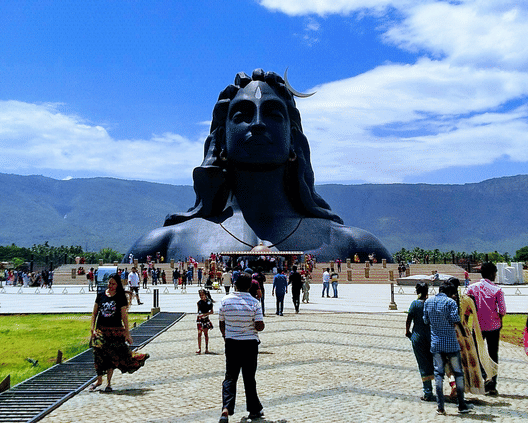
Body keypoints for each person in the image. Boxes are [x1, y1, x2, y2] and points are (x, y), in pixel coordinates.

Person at [126, 69, 390, 264]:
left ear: (293, 140)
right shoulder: (164, 242)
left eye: (273, 113)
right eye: (242, 114)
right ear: (221, 140)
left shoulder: (353, 244)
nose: (258, 123)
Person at [88, 273, 149, 392]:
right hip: (101, 330)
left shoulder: (120, 298)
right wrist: (92, 328)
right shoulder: (101, 296)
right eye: (109, 283)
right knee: (98, 354)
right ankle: (99, 380)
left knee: (111, 357)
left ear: (117, 285)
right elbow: (94, 313)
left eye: (113, 284)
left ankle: (108, 383)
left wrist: (127, 333)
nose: (110, 286)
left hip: (115, 331)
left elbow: (124, 316)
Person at [218, 274, 265, 423]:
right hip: (250, 344)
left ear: (235, 285)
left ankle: (226, 408)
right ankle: (254, 409)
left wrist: (226, 336)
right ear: (250, 286)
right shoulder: (255, 303)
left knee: (230, 377)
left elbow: (221, 323)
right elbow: (259, 326)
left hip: (232, 343)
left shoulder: (225, 301)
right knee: (249, 378)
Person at [424, 280, 472, 415]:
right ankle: (461, 405)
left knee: (438, 374)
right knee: (458, 373)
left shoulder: (428, 302)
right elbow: (455, 319)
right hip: (451, 344)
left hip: (436, 344)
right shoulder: (450, 302)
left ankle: (440, 407)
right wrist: (463, 333)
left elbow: (425, 320)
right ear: (449, 292)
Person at [466, 262, 507, 395]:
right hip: (494, 326)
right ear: (491, 273)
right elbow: (502, 310)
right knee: (493, 353)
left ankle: (483, 376)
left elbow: (467, 308)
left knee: (477, 352)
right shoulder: (497, 290)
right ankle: (492, 382)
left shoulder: (471, 288)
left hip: (477, 326)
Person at [406, 282, 435, 402]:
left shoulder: (415, 304)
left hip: (418, 337)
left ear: (417, 291)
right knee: (434, 362)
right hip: (431, 336)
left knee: (423, 363)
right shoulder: (431, 303)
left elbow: (409, 319)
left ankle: (428, 392)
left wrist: (407, 332)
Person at [196, 289, 214, 354]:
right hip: (200, 319)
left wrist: (204, 314)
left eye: (202, 295)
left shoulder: (209, 302)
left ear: (205, 295)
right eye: (200, 295)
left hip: (205, 319)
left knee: (206, 334)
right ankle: (199, 348)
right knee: (199, 333)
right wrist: (200, 315)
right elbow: (198, 311)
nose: (201, 297)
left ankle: (206, 348)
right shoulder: (199, 303)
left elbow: (212, 312)